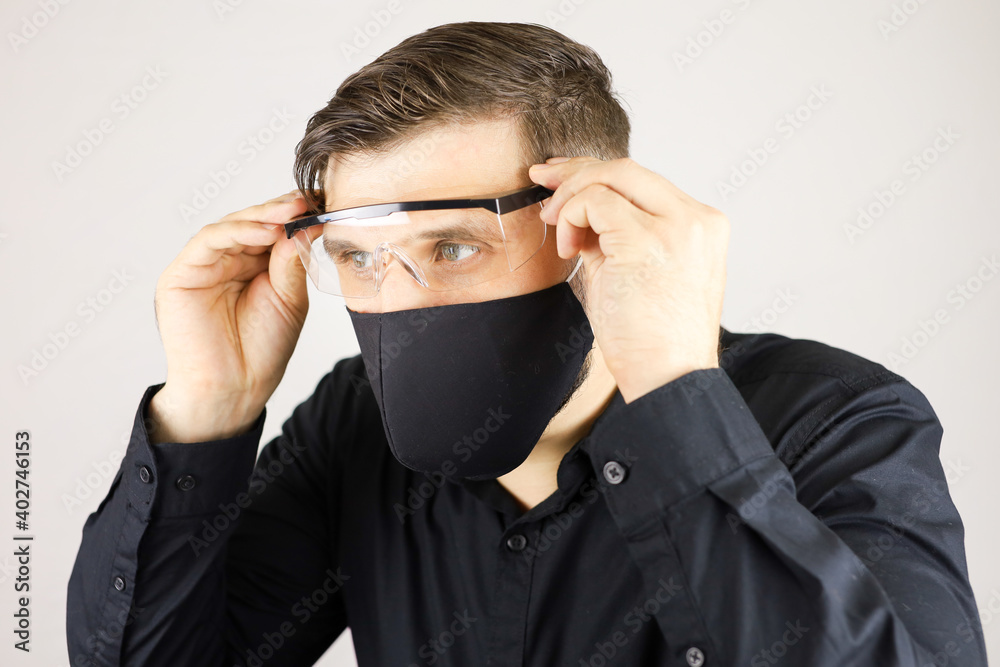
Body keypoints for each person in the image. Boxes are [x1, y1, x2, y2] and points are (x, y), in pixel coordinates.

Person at [66, 21, 987, 667]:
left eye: (453, 245)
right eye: (358, 257)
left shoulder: (840, 419)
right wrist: (206, 410)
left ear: (592, 225)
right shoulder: (350, 427)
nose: (401, 298)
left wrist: (674, 388)